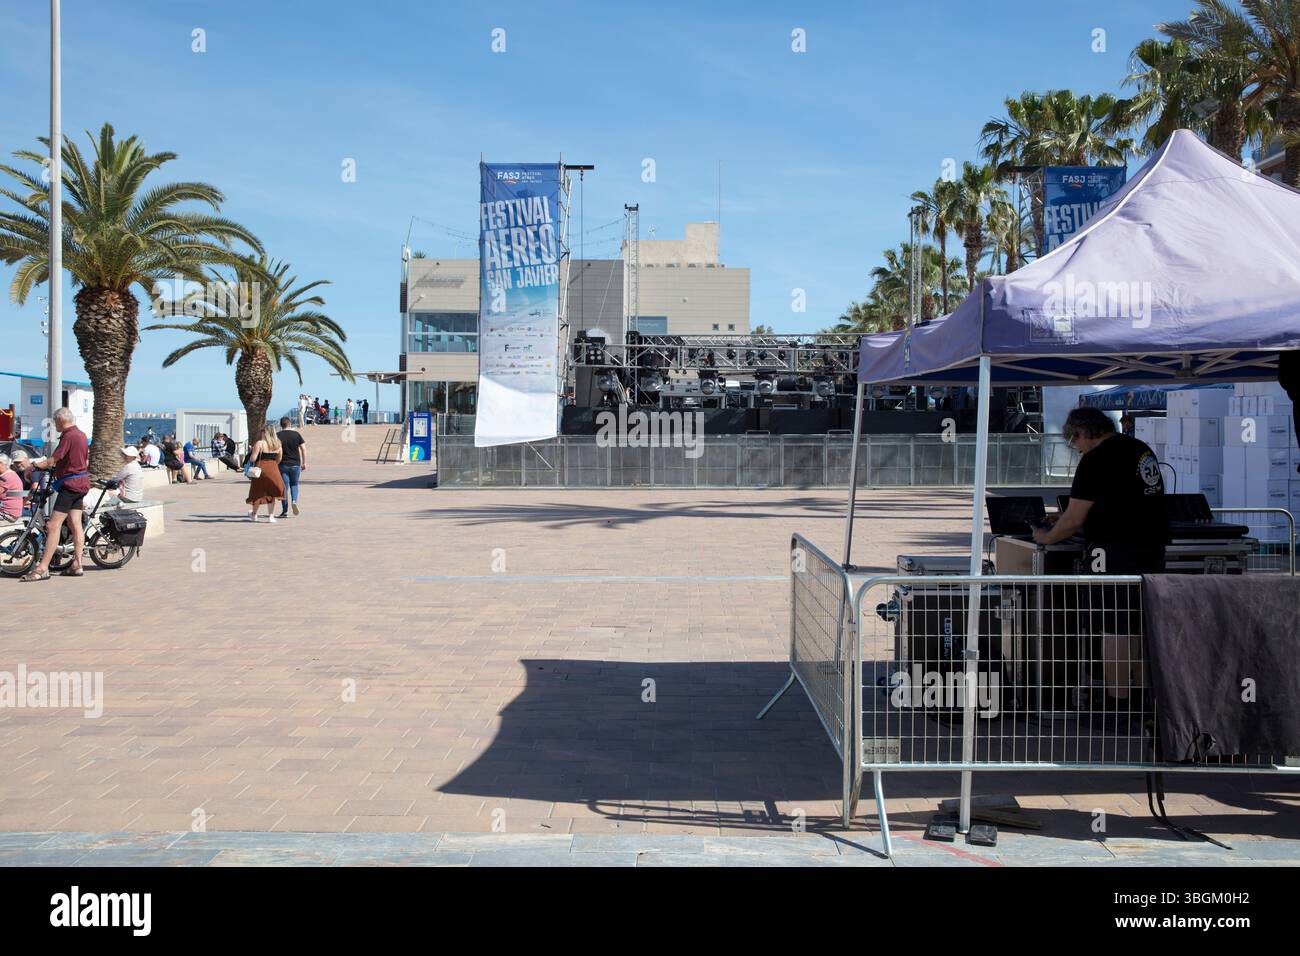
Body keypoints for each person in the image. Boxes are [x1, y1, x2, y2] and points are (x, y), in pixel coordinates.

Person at [1033, 406, 1167, 701]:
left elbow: (1073, 521)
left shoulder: (1096, 459)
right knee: (1140, 626)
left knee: (1114, 628)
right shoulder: (1138, 448)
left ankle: (1117, 700)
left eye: (1075, 442)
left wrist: (1046, 536)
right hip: (1152, 548)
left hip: (1114, 551)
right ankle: (1145, 699)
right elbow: (1121, 497)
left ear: (1083, 433)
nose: (1077, 449)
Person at [20, 407, 90, 581]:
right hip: (81, 483)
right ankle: (77, 564)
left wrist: (33, 466)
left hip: (70, 485)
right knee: (75, 523)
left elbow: (54, 459)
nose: (54, 425)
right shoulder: (81, 435)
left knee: (53, 526)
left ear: (60, 420)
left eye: (54, 422)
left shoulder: (68, 435)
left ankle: (43, 568)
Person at [245, 426, 285, 522]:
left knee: (257, 492)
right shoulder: (278, 444)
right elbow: (279, 459)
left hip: (260, 469)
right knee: (272, 493)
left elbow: (253, 459)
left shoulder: (260, 443)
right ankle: (271, 516)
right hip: (273, 469)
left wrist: (251, 451)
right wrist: (272, 465)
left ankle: (254, 514)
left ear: (264, 433)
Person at [276, 416, 306, 517]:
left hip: (283, 464)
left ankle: (285, 511)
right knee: (294, 485)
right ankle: (294, 501)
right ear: (289, 424)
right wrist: (304, 462)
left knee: (284, 487)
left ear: (281, 425)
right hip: (295, 464)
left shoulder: (277, 435)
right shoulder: (296, 434)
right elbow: (303, 449)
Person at [0, 454, 23, 525]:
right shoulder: (11, 474)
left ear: (1, 464)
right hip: (11, 512)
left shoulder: (6, 477)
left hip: (8, 513)